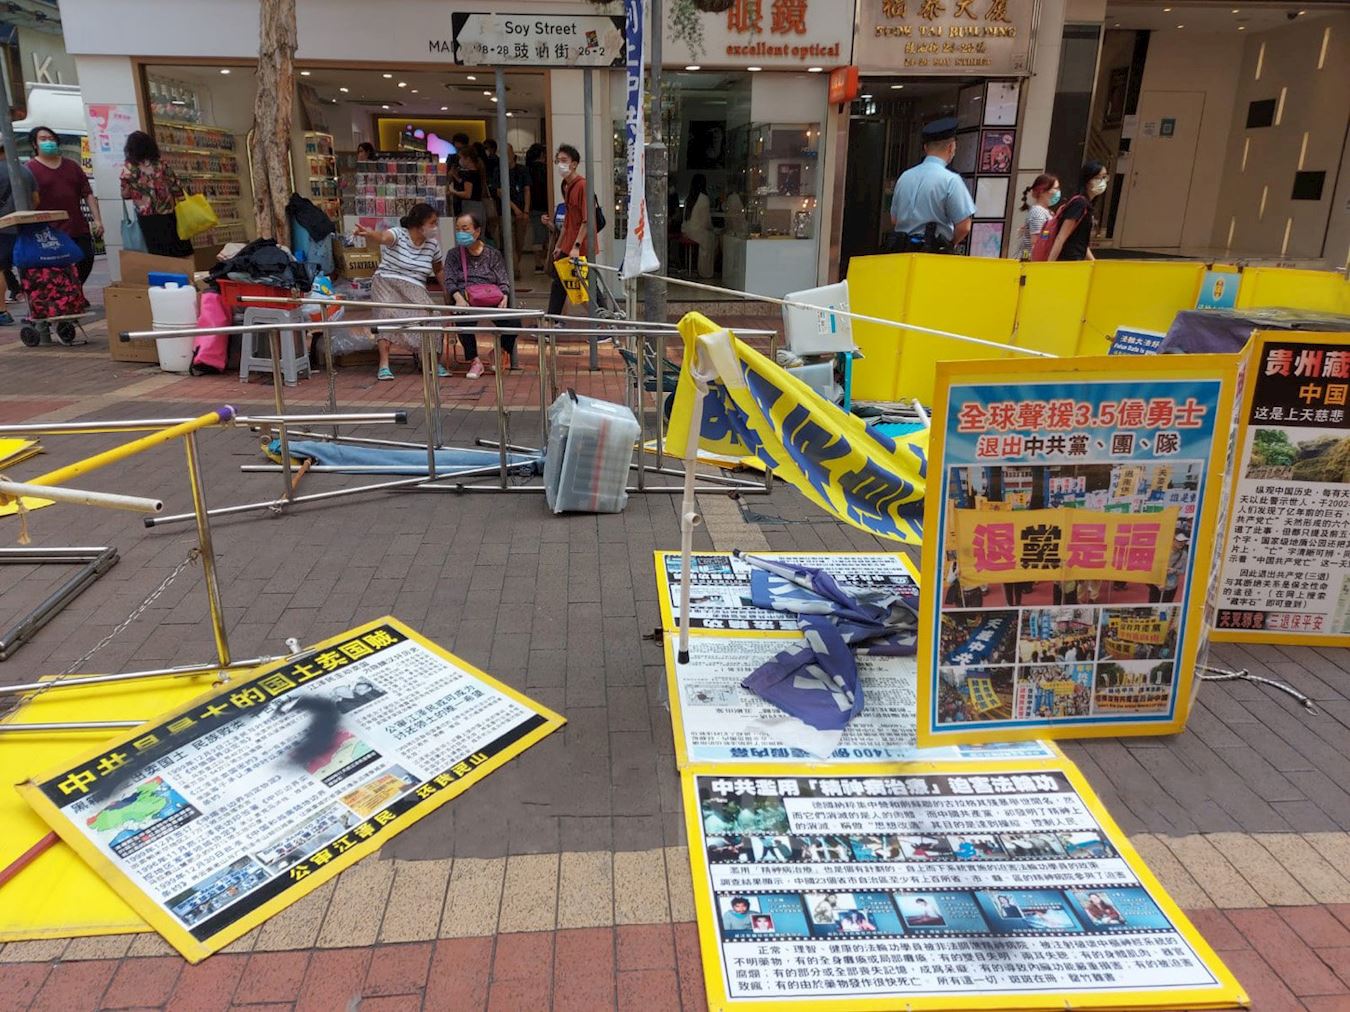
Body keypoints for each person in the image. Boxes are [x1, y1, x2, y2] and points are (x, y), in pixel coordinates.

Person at [354, 202, 444, 381]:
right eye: (432, 223)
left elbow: (439, 269)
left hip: (415, 287)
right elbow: (383, 237)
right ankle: (384, 364)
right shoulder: (398, 234)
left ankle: (430, 360)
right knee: (386, 313)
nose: (435, 227)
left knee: (433, 314)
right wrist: (370, 234)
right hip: (387, 281)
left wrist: (448, 291)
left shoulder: (433, 245)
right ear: (419, 224)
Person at [26, 125, 103, 285]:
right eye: (43, 139)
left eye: (51, 139)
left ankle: (76, 290)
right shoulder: (29, 169)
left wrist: (97, 220)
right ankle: (69, 293)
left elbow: (87, 193)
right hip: (49, 229)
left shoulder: (72, 166)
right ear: (35, 144)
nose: (48, 142)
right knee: (59, 267)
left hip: (77, 226)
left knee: (86, 258)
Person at [443, 211, 515, 380]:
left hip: (491, 296)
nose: (460, 233)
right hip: (466, 298)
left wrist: (504, 296)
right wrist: (458, 298)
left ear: (477, 231)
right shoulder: (454, 254)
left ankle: (498, 352)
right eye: (458, 229)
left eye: (465, 228)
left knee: (514, 322)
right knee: (463, 320)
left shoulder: (492, 254)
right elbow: (449, 279)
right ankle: (475, 361)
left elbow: (503, 278)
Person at [888, 117, 975, 254]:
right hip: (932, 254)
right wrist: (950, 244)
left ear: (925, 147)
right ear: (951, 147)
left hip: (902, 252)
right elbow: (964, 226)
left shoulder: (904, 177)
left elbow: (894, 220)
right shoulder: (951, 180)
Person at [119, 130, 193, 259]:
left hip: (146, 216)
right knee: (180, 248)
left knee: (157, 252)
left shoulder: (129, 168)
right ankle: (186, 270)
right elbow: (175, 186)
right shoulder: (161, 164)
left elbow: (125, 194)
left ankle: (163, 271)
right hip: (168, 212)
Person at [544, 143, 588, 317]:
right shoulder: (569, 187)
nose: (560, 164)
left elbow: (586, 220)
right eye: (558, 160)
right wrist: (559, 245)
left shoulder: (582, 186)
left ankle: (607, 322)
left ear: (574, 164)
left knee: (584, 286)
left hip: (578, 246)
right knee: (560, 283)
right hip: (569, 245)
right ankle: (552, 321)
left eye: (564, 160)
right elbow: (568, 221)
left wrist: (576, 246)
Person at [0, 141, 36, 326]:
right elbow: (36, 199)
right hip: (25, 227)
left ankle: (2, 311)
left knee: (0, 269)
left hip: (2, 228)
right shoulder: (25, 170)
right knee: (27, 267)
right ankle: (36, 308)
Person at [1047, 161, 1108, 262]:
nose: (1102, 181)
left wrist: (1094, 263)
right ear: (1087, 180)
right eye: (1098, 178)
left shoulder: (1086, 204)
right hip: (1067, 262)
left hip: (1076, 261)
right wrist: (1049, 266)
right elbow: (1061, 237)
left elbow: (1080, 242)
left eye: (1104, 177)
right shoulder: (1079, 203)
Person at [1013, 173, 1059, 260]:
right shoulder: (1038, 212)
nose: (1058, 192)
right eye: (1055, 188)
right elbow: (1036, 242)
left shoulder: (1047, 212)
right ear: (1042, 191)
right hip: (1032, 263)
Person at [681, 173, 716, 279]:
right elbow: (706, 222)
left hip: (686, 231)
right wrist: (713, 228)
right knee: (711, 239)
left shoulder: (689, 198)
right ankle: (705, 271)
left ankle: (694, 267)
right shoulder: (704, 198)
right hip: (697, 232)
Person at [524, 143, 549, 274]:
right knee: (545, 236)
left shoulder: (527, 169)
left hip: (533, 206)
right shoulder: (545, 169)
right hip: (545, 205)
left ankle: (539, 263)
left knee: (538, 235)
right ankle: (542, 264)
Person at [507, 144, 530, 277]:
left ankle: (516, 265)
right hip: (507, 212)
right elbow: (500, 192)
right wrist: (514, 208)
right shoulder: (499, 170)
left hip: (522, 211)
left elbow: (527, 190)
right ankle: (514, 270)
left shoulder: (522, 170)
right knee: (510, 242)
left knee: (520, 242)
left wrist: (526, 210)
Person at [449, 145, 485, 223]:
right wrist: (455, 176)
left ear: (468, 159)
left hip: (470, 207)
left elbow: (467, 194)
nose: (460, 160)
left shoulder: (469, 175)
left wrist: (453, 191)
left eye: (461, 158)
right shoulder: (476, 172)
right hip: (477, 207)